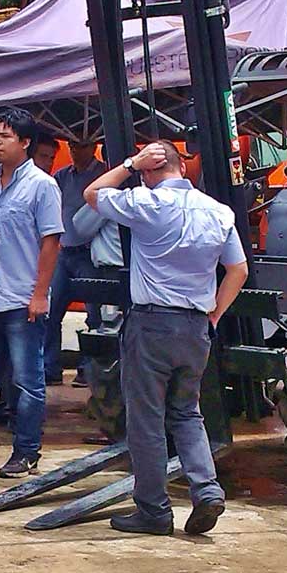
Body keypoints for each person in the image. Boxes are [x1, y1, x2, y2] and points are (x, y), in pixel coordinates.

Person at [84, 141, 248, 537]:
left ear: (149, 171)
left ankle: (154, 511)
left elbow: (93, 195)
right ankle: (207, 489)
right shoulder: (219, 212)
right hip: (195, 328)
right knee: (187, 412)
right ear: (182, 168)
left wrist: (128, 164)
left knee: (146, 421)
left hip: (152, 326)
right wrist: (214, 314)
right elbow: (238, 270)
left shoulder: (146, 204)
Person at [0, 109, 63, 478]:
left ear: (25, 143)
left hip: (23, 299)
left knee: (26, 380)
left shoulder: (42, 186)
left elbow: (51, 242)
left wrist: (40, 293)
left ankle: (26, 450)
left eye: (5, 136)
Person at [47, 138, 123, 386]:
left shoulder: (104, 175)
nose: (75, 151)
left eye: (81, 146)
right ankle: (51, 367)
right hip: (64, 250)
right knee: (51, 311)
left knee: (96, 316)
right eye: (72, 146)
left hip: (90, 253)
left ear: (93, 147)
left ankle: (88, 370)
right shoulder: (61, 176)